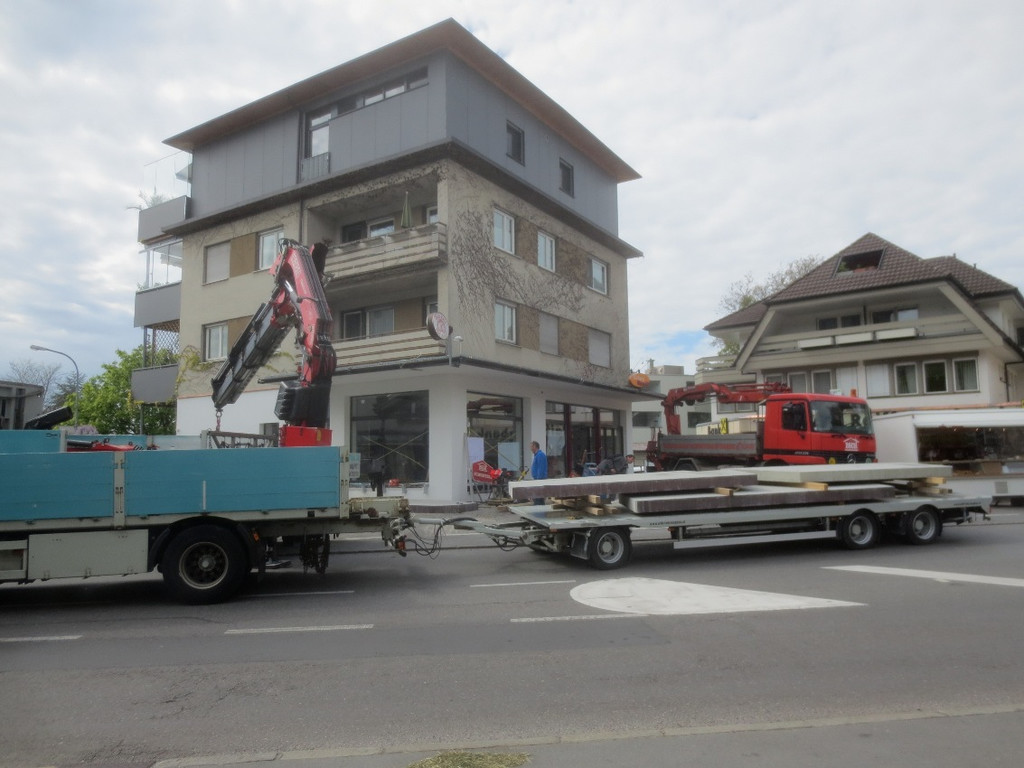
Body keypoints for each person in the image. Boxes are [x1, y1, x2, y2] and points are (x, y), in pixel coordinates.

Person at [529, 440, 547, 505]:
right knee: (537, 498)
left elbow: (541, 468)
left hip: (539, 480)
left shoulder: (540, 455)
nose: (530, 449)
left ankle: (539, 509)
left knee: (538, 498)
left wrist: (538, 481)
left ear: (535, 446)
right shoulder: (536, 455)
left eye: (531, 447)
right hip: (537, 479)